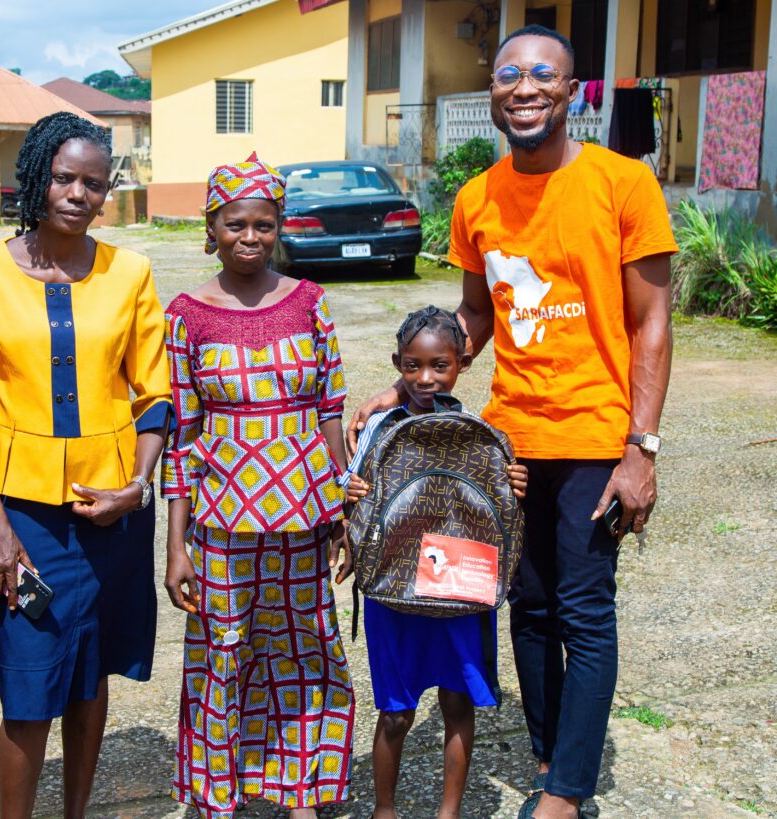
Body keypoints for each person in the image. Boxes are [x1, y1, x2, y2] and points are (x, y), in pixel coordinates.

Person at [348, 25, 676, 819]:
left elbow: (653, 321)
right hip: (507, 443)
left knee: (584, 607)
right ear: (493, 93)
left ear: (571, 91)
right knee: (524, 606)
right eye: (508, 75)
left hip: (595, 436)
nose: (524, 87)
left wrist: (641, 447)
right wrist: (407, 387)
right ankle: (549, 753)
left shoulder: (623, 183)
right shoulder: (477, 198)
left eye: (542, 75)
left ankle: (566, 791)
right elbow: (474, 314)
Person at [0, 112, 172, 819]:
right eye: (64, 178)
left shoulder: (130, 272)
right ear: (35, 178)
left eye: (93, 184)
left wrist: (136, 487)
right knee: (29, 680)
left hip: (112, 512)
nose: (78, 193)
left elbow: (155, 394)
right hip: (23, 515)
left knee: (90, 670)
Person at [161, 153, 355, 818]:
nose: (250, 237)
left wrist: (343, 510)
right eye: (235, 224)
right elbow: (182, 434)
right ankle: (221, 794)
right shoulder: (186, 314)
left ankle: (302, 792)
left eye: (264, 225)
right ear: (211, 227)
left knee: (306, 646)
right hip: (220, 520)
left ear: (279, 226)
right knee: (222, 653)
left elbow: (330, 412)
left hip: (305, 514)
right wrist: (176, 546)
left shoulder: (310, 302)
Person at [341, 306, 528, 819]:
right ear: (397, 364)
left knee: (457, 703)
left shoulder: (481, 431)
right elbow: (351, 492)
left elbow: (505, 513)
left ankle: (449, 813)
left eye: (440, 366)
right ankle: (384, 810)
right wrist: (349, 493)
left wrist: (517, 485)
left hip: (459, 593)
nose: (426, 379)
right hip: (394, 593)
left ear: (463, 363)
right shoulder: (379, 428)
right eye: (413, 366)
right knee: (394, 713)